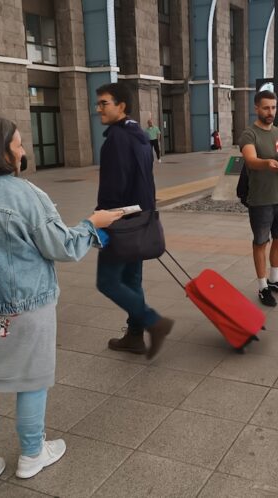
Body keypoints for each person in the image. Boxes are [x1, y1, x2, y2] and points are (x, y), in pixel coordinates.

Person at [0, 113, 122, 497]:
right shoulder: (24, 194)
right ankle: (32, 453)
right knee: (32, 380)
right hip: (25, 307)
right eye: (17, 144)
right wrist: (92, 224)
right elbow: (62, 247)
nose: (22, 151)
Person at [94, 83, 174, 359]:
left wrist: (100, 219)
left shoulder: (117, 139)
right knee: (131, 279)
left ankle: (153, 322)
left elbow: (113, 188)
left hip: (121, 222)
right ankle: (135, 336)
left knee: (107, 281)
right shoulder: (138, 135)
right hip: (141, 219)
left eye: (104, 103)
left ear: (121, 106)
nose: (98, 109)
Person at [239, 90, 278, 307]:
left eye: (273, 107)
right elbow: (251, 160)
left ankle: (274, 280)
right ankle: (263, 286)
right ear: (256, 108)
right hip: (260, 200)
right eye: (265, 108)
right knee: (261, 242)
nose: (270, 112)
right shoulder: (249, 134)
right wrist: (267, 163)